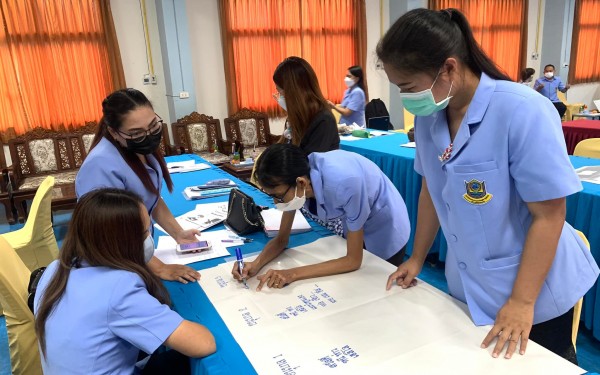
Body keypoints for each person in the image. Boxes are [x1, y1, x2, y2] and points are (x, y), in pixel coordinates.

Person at [376, 8, 599, 363]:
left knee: (544, 365)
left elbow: (550, 215)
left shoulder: (523, 111)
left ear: (448, 68)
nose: (407, 97)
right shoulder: (431, 119)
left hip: (535, 291)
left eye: (408, 86)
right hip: (471, 284)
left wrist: (522, 302)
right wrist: (416, 258)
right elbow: (431, 192)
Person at [34, 188, 216, 374]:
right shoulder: (118, 287)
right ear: (123, 241)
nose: (149, 238)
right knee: (181, 360)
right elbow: (203, 344)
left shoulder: (54, 269)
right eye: (146, 231)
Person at [232, 144, 410, 290]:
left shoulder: (345, 183)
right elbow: (281, 240)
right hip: (355, 220)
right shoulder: (295, 180)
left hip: (384, 224)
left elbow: (353, 260)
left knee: (375, 290)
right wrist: (256, 264)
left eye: (278, 196)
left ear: (301, 183)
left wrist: (291, 274)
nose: (275, 201)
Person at [76, 88, 201, 284]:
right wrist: (159, 268)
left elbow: (151, 197)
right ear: (113, 132)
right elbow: (111, 233)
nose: (149, 135)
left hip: (138, 252)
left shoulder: (142, 148)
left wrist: (179, 234)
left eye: (153, 126)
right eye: (136, 133)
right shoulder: (100, 166)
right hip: (112, 263)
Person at [273, 56, 340, 155]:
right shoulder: (297, 117)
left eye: (280, 92)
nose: (280, 98)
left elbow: (308, 164)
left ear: (294, 92)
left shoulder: (323, 121)